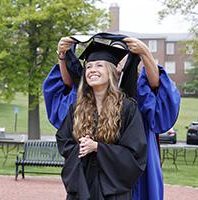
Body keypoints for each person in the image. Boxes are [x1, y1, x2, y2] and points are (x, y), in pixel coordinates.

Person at [43, 33, 180, 200]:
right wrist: (62, 55)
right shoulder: (84, 100)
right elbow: (68, 85)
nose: (118, 59)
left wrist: (145, 52)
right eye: (90, 66)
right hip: (91, 175)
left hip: (128, 161)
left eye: (121, 54)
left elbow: (157, 87)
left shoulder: (135, 93)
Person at [56, 41, 147, 200]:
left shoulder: (126, 108)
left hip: (112, 191)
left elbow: (135, 154)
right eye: (89, 66)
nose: (92, 70)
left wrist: (98, 148)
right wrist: (80, 147)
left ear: (111, 72)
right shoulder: (77, 109)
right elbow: (64, 141)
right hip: (82, 186)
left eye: (99, 65)